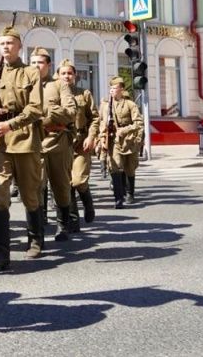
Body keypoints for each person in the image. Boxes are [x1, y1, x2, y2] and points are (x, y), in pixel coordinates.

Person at [0, 26, 42, 273]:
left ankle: (35, 240)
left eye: (10, 43)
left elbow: (35, 109)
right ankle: (1, 254)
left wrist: (9, 125)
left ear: (19, 46)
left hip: (24, 140)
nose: (5, 47)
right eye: (2, 43)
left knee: (29, 194)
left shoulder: (30, 73)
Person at [31, 48, 76, 243]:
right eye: (32, 63)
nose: (35, 66)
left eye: (39, 63)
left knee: (61, 186)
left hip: (58, 142)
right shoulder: (26, 85)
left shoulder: (59, 86)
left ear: (48, 65)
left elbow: (71, 112)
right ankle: (38, 229)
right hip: (34, 144)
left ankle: (63, 226)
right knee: (35, 187)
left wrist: (48, 113)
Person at [57, 60, 99, 232]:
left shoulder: (84, 94)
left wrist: (91, 136)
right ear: (58, 75)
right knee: (66, 183)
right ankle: (73, 221)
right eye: (63, 73)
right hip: (61, 142)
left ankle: (88, 204)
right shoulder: (54, 94)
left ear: (75, 76)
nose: (67, 76)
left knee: (78, 180)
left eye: (70, 73)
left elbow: (95, 118)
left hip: (81, 142)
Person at [94, 77, 144, 209]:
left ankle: (130, 193)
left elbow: (138, 123)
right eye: (110, 88)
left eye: (114, 88)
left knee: (129, 167)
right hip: (113, 140)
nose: (111, 90)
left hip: (128, 140)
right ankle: (118, 197)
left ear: (121, 89)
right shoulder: (105, 105)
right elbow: (101, 122)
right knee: (114, 166)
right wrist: (100, 138)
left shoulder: (130, 105)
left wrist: (124, 130)